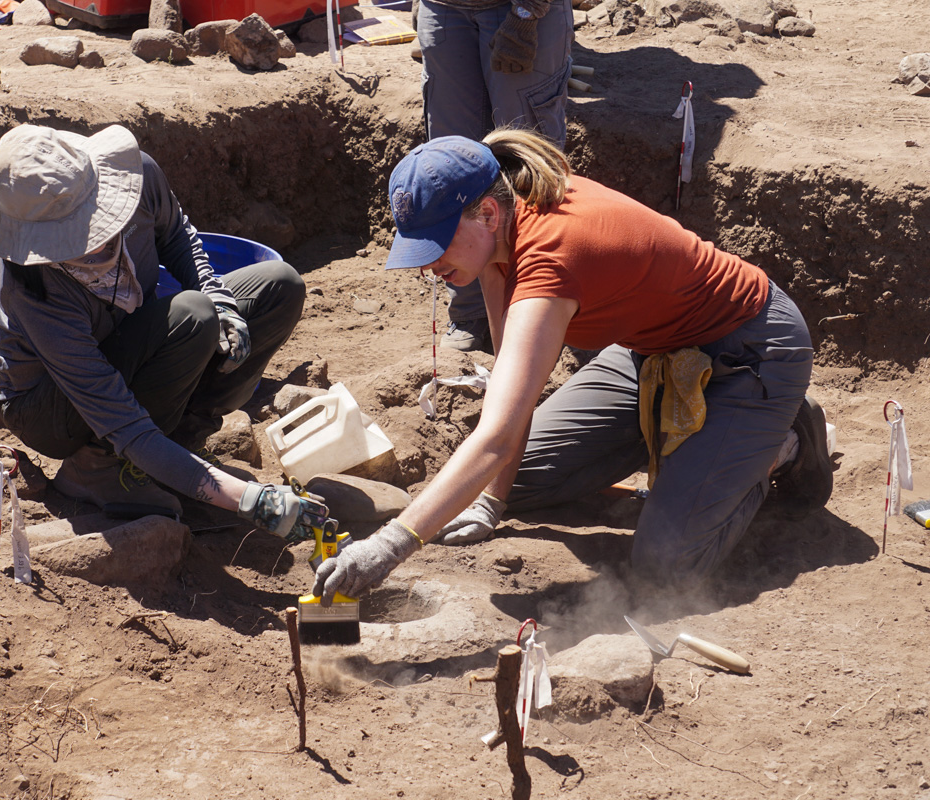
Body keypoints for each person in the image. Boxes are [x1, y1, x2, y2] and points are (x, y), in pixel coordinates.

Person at [312, 131, 835, 602]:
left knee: (666, 568)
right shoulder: (499, 235)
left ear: (486, 216)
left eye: (435, 245)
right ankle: (685, 445)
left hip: (750, 352)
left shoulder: (552, 256)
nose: (428, 265)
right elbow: (507, 406)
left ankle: (781, 446)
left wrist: (390, 545)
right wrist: (490, 505)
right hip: (652, 353)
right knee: (505, 484)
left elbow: (494, 437)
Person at [0, 123, 327, 539]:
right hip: (51, 405)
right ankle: (97, 467)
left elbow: (177, 235)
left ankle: (182, 444)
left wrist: (219, 297)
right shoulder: (34, 289)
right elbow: (119, 417)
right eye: (70, 238)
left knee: (279, 286)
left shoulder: (137, 178)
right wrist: (247, 499)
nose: (95, 243)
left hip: (128, 340)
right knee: (191, 316)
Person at [417, 0, 573, 352]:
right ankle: (470, 310)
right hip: (445, 8)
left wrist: (525, 13)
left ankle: (542, 306)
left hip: (519, 10)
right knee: (452, 167)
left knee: (529, 167)